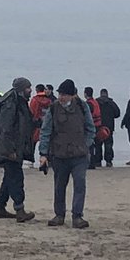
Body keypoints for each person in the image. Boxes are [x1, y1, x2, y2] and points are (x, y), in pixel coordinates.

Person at [39, 80, 96, 229]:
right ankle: (59, 215)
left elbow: (91, 129)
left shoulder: (83, 107)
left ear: (72, 95)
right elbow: (45, 131)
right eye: (60, 94)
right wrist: (43, 153)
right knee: (59, 186)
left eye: (64, 94)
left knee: (80, 184)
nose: (61, 97)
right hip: (59, 155)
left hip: (79, 156)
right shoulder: (53, 109)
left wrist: (85, 144)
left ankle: (77, 216)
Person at [0, 78, 36, 223]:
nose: (31, 90)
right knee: (16, 178)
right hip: (9, 148)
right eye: (28, 88)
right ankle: (20, 209)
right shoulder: (11, 104)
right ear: (22, 89)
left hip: (15, 147)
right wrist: (9, 149)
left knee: (9, 178)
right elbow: (6, 128)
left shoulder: (20, 102)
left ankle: (0, 207)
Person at [94, 89, 120, 168]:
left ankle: (98, 161)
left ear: (101, 94)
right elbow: (117, 114)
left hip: (99, 126)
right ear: (107, 94)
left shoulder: (96, 102)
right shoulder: (111, 103)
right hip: (109, 127)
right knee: (108, 144)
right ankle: (108, 161)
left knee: (98, 144)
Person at [28, 84, 52, 162]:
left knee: (32, 143)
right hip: (46, 123)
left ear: (37, 90)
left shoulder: (35, 99)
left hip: (36, 124)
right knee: (46, 142)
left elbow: (31, 111)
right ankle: (47, 158)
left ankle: (31, 159)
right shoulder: (49, 100)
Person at [82, 86, 103, 168]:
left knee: (90, 144)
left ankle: (91, 163)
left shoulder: (89, 104)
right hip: (98, 125)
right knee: (96, 145)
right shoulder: (95, 102)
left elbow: (87, 116)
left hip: (92, 126)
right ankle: (96, 161)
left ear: (86, 94)